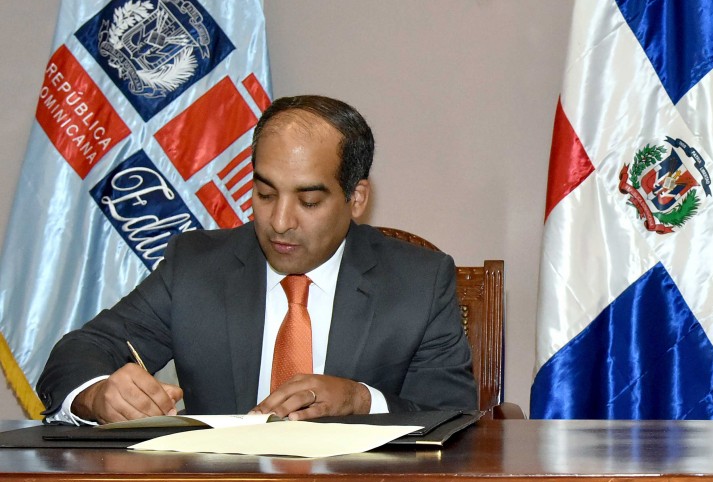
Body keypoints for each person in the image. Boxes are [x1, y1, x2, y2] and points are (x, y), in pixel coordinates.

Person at [38, 95, 476, 423]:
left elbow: (453, 419)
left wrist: (362, 401)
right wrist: (96, 394)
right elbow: (80, 351)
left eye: (307, 201)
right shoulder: (195, 266)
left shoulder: (419, 282)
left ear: (356, 198)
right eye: (265, 194)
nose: (279, 221)